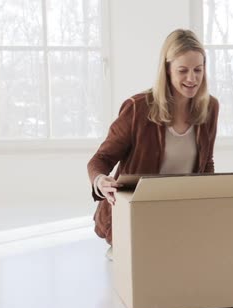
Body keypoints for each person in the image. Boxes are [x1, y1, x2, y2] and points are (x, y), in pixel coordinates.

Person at [87, 29, 219, 258]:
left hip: (180, 211)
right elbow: (101, 159)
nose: (192, 78)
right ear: (166, 70)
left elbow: (206, 163)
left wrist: (209, 205)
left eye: (198, 70)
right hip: (136, 214)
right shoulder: (138, 108)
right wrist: (100, 181)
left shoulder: (210, 108)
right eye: (183, 71)